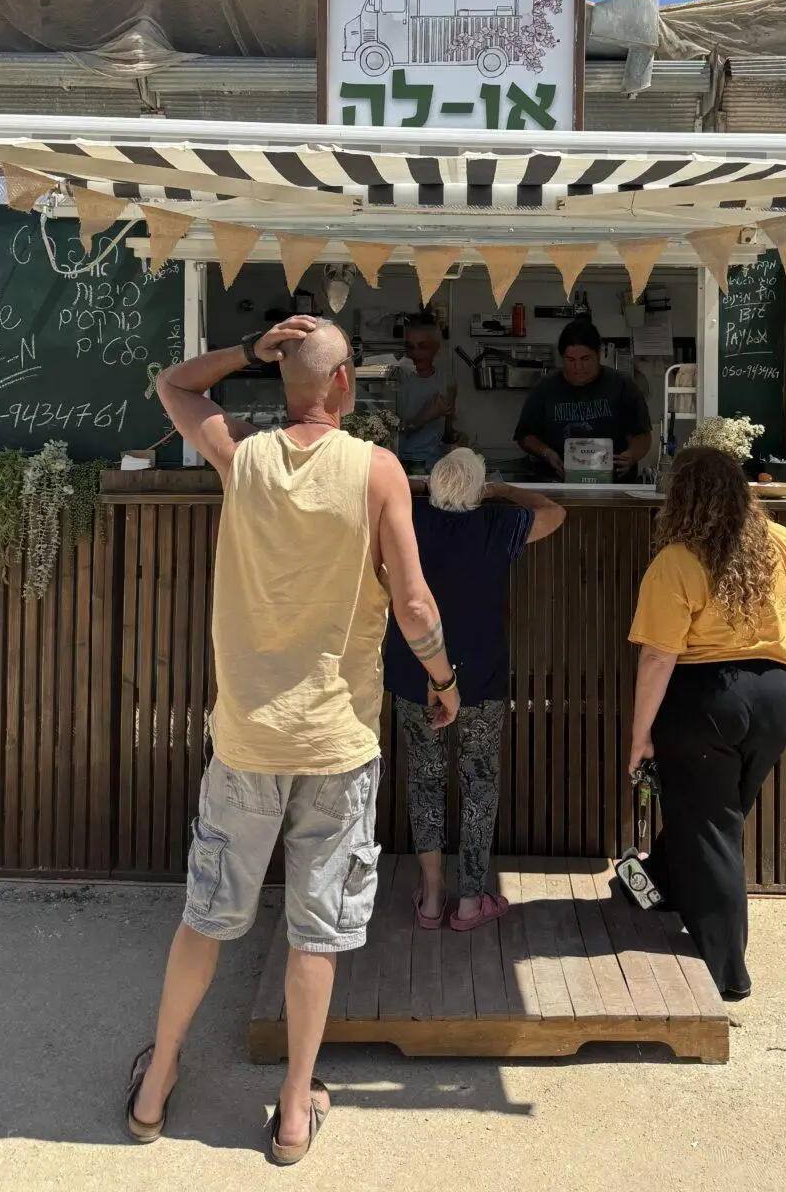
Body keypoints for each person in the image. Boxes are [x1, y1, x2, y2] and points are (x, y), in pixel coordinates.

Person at [127, 315, 459, 1166]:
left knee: (207, 917)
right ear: (344, 384)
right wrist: (444, 679)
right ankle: (293, 1113)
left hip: (247, 738)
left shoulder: (243, 456)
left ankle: (157, 1082)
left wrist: (248, 349)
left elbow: (174, 384)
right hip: (337, 741)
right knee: (316, 933)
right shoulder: (377, 470)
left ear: (286, 379)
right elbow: (414, 604)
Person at [626, 445, 786, 1000]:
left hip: (706, 702)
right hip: (775, 698)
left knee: (712, 828)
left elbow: (658, 657)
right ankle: (661, 883)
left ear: (681, 499)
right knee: (716, 814)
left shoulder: (676, 561)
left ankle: (726, 971)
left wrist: (640, 736)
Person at [384, 449, 565, 928]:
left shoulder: (409, 519)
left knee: (424, 778)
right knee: (479, 782)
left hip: (415, 669)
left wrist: (419, 485)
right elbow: (554, 512)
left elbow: (374, 493)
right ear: (480, 490)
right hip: (479, 674)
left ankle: (430, 897)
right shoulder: (497, 525)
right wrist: (503, 490)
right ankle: (469, 901)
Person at [514, 318, 651, 480]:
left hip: (613, 484)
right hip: (557, 482)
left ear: (598, 353)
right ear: (562, 357)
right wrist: (546, 453)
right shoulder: (544, 388)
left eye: (585, 359)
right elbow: (525, 436)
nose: (578, 368)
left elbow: (642, 435)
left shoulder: (622, 386)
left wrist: (632, 455)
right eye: (570, 360)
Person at [395, 312, 457, 471]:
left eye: (423, 346)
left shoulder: (447, 382)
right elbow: (388, 431)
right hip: (399, 465)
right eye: (410, 347)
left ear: (436, 348)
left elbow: (447, 433)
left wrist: (457, 437)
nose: (415, 353)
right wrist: (425, 416)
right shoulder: (396, 381)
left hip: (433, 468)